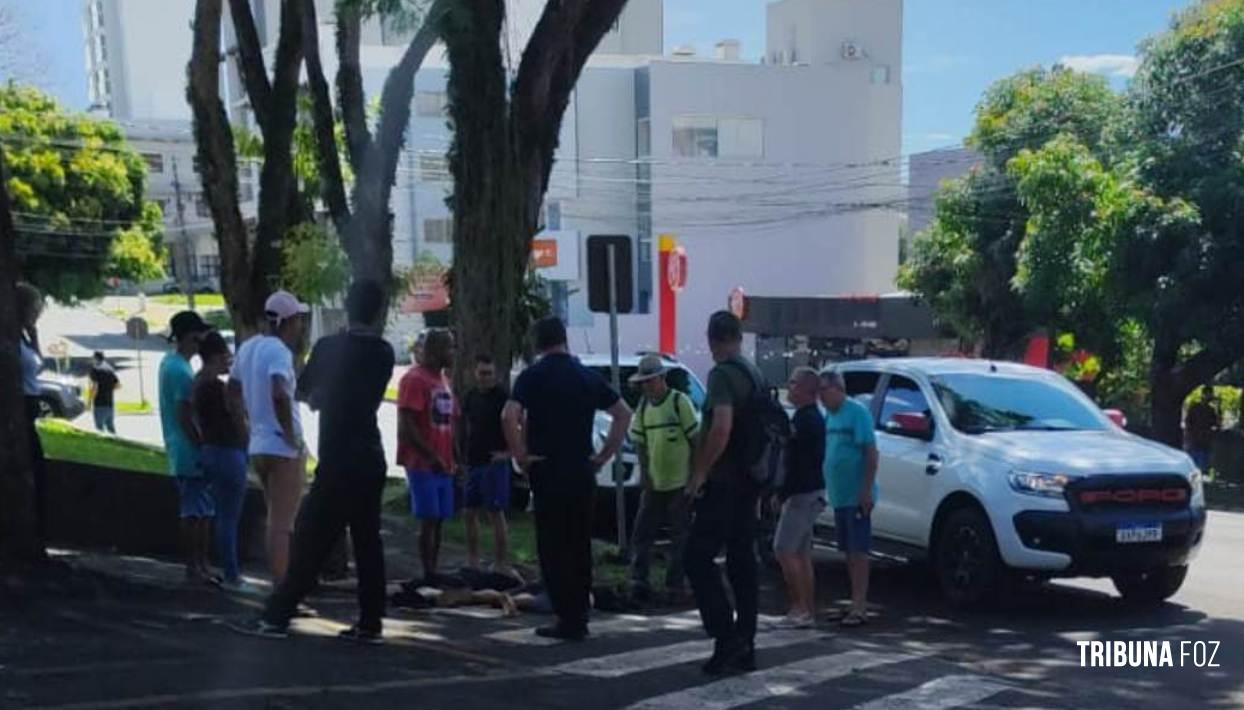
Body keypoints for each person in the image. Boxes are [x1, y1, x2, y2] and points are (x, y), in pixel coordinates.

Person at [233, 280, 396, 643]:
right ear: (377, 312)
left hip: (337, 455)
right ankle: (371, 620)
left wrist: (322, 396)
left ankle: (278, 614)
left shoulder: (329, 347)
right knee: (368, 539)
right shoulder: (384, 352)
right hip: (370, 453)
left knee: (310, 535)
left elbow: (305, 392)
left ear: (347, 309)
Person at [503, 316, 632, 641]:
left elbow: (509, 415)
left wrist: (520, 455)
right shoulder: (586, 376)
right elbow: (623, 413)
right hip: (580, 467)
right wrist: (604, 456)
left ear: (538, 344)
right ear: (565, 340)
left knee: (552, 543)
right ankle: (579, 614)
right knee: (578, 543)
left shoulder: (532, 377)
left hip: (547, 468)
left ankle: (563, 613)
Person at [683, 310, 767, 675]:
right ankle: (746, 642)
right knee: (741, 562)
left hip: (724, 482)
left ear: (712, 340)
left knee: (696, 557)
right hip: (751, 480)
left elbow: (721, 427)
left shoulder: (721, 375)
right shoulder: (754, 374)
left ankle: (725, 635)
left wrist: (700, 471)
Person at [230, 290, 310, 584]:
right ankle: (283, 588)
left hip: (260, 443)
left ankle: (281, 582)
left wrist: (247, 429)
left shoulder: (248, 347)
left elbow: (233, 392)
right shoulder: (279, 351)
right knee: (283, 524)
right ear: (287, 321)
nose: (301, 326)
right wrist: (291, 436)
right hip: (281, 445)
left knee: (274, 517)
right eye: (299, 320)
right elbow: (279, 391)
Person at [627, 354, 698, 602]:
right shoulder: (644, 408)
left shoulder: (680, 403)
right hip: (654, 483)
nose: (647, 386)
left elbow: (695, 440)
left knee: (680, 535)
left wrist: (695, 477)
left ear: (662, 378)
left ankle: (675, 584)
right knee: (642, 533)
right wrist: (645, 474)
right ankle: (639, 580)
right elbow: (640, 443)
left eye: (651, 381)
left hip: (679, 482)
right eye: (643, 382)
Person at [397, 328, 458, 585]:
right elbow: (407, 424)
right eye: (449, 347)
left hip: (444, 461)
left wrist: (453, 457)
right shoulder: (415, 379)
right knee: (429, 517)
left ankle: (434, 568)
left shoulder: (444, 381)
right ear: (435, 351)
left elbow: (452, 422)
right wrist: (430, 455)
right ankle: (427, 572)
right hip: (422, 462)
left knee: (440, 517)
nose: (453, 353)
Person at [819, 370, 879, 628]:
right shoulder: (830, 417)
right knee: (846, 551)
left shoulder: (857, 413)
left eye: (824, 391)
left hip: (856, 494)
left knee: (858, 551)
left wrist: (865, 490)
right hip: (839, 494)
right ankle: (852, 601)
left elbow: (870, 453)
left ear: (837, 389)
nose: (821, 397)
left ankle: (860, 605)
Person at [193, 331, 251, 592]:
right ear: (216, 356)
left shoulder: (196, 383)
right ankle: (232, 574)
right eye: (226, 355)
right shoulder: (222, 388)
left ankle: (222, 568)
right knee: (230, 517)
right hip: (230, 452)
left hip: (208, 451)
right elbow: (239, 419)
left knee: (218, 514)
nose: (229, 360)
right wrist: (248, 442)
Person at [159, 310, 214, 584]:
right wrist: (200, 443)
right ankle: (196, 567)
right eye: (199, 335)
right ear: (189, 336)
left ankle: (199, 566)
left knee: (199, 510)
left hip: (177, 447)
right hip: (188, 450)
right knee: (197, 513)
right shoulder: (181, 371)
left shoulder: (169, 363)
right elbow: (184, 413)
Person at [772, 367, 826, 629]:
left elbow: (797, 464)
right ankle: (807, 609)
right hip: (812, 491)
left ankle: (799, 607)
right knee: (802, 553)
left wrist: (782, 494)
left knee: (784, 550)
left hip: (801, 494)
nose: (789, 387)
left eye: (793, 384)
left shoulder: (806, 421)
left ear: (807, 390)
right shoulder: (809, 418)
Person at [461, 354, 513, 571]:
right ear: (475, 373)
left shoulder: (502, 397)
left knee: (495, 513)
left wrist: (508, 453)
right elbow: (464, 426)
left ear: (496, 374)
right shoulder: (470, 396)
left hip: (494, 463)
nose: (485, 378)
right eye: (482, 373)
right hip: (473, 461)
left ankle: (501, 563)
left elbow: (517, 424)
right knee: (468, 512)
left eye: (489, 373)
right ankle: (473, 560)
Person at [17, 282, 49, 553]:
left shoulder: (25, 336)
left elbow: (38, 363)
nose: (37, 315)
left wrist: (34, 335)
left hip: (31, 404)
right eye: (34, 310)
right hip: (23, 404)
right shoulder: (11, 339)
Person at [1185, 385, 1220, 472]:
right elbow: (1188, 423)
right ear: (1203, 395)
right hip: (1195, 440)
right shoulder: (1194, 407)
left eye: (1211, 395)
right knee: (1194, 465)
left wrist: (1219, 408)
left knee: (1203, 466)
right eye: (1208, 394)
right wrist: (1189, 437)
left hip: (1205, 441)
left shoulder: (1210, 410)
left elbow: (1216, 423)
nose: (1210, 397)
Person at [88, 351, 119, 434]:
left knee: (99, 429)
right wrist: (108, 389)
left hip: (99, 404)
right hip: (110, 404)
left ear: (95, 359)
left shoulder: (95, 370)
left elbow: (95, 387)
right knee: (111, 428)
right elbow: (118, 385)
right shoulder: (110, 369)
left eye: (93, 359)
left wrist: (89, 401)